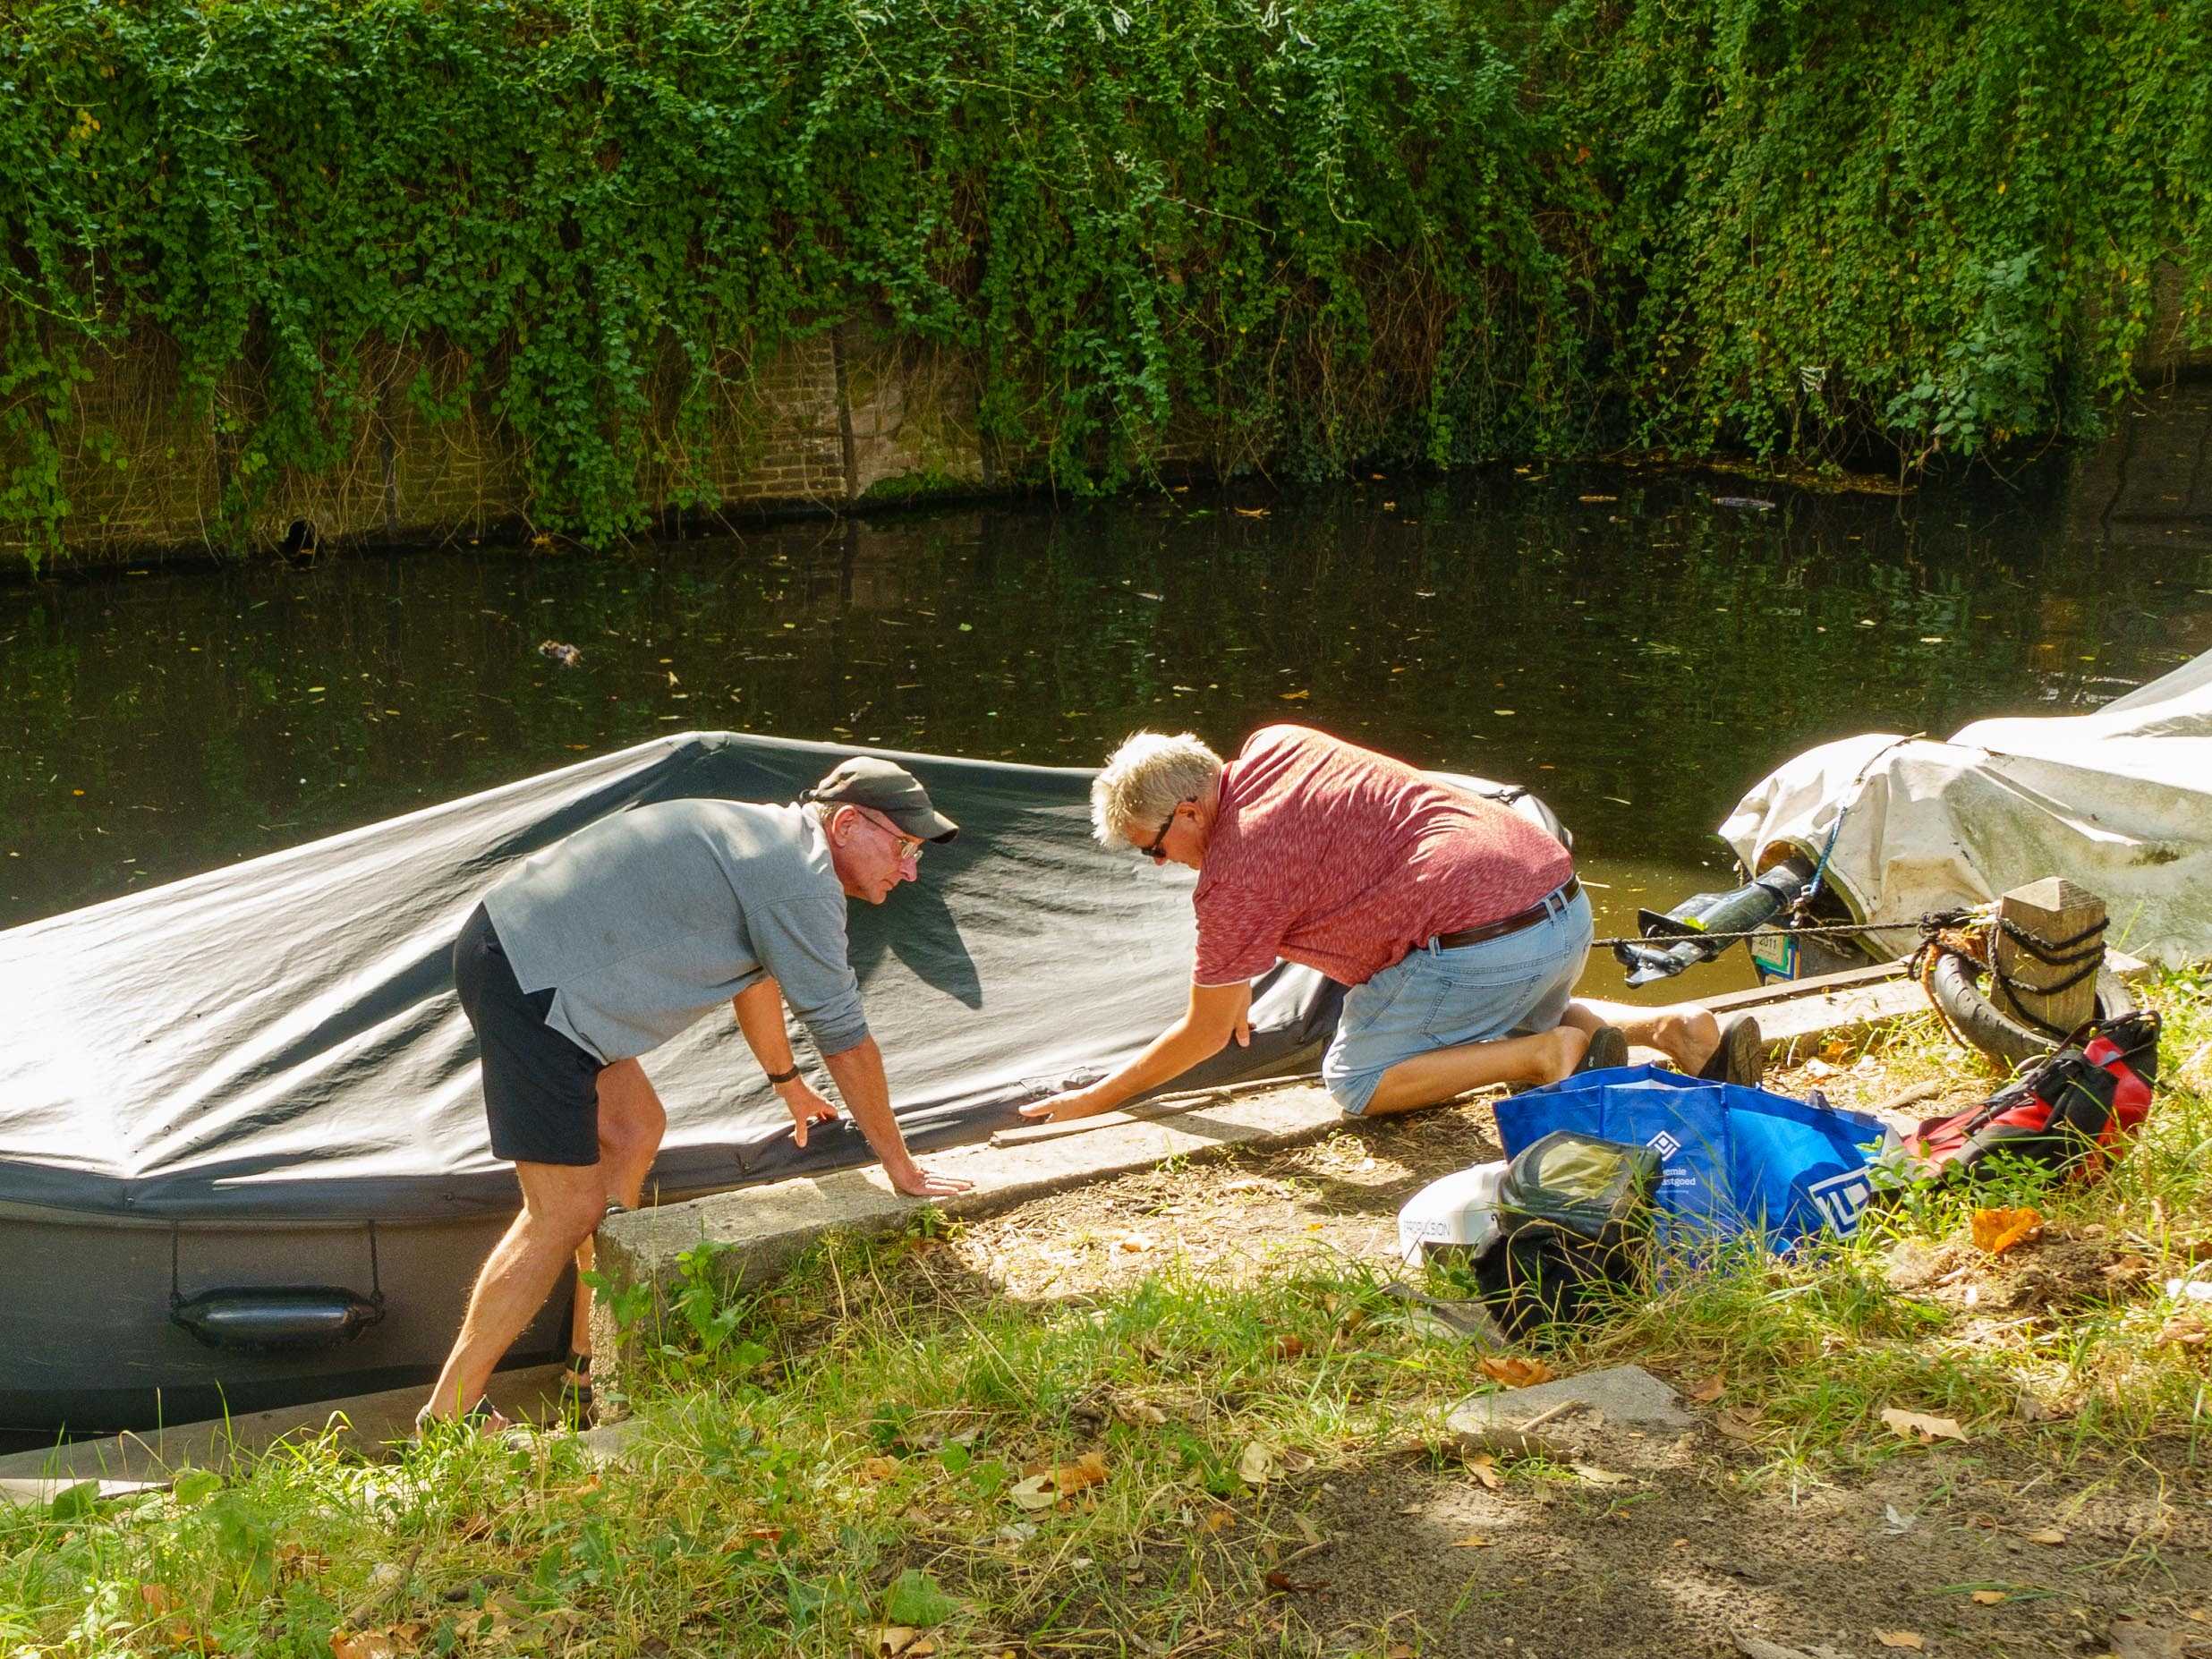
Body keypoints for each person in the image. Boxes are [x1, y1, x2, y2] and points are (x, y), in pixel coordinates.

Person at [419, 756, 974, 1430]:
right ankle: (449, 1416)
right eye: (905, 846)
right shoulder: (800, 880)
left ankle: (590, 1359)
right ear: (850, 823)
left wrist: (786, 1082)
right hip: (530, 977)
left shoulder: (775, 847)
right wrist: (899, 1164)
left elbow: (756, 975)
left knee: (633, 1129)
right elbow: (845, 1037)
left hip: (523, 949)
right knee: (562, 1212)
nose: (912, 869)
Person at [1020, 725, 1760, 1127]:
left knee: (1356, 1079)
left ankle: (1545, 1056)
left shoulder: (1232, 878)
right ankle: (1674, 1025)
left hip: (1485, 945)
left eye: (1154, 848)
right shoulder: (1282, 743)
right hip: (1558, 901)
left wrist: (1092, 1101)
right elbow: (1339, 861)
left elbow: (1204, 1033)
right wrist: (1234, 982)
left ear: (1189, 812)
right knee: (1486, 1008)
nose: (1159, 863)